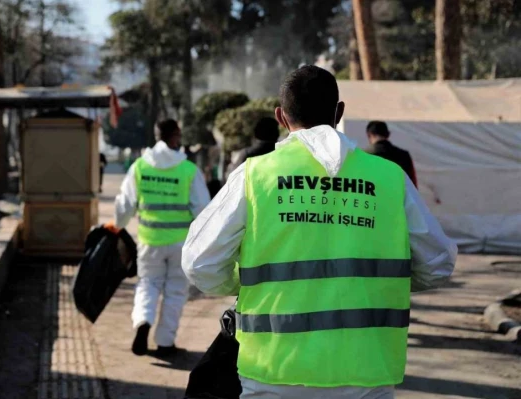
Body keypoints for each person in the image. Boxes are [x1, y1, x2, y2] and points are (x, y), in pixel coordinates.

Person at [182, 66, 457, 399]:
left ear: (281, 117)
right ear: (339, 111)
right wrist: (377, 287)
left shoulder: (255, 176)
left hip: (274, 373)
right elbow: (439, 262)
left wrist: (244, 283)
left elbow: (200, 263)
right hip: (367, 373)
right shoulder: (390, 178)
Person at [109, 119, 210, 357]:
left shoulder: (140, 167)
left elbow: (125, 205)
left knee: (148, 284)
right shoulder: (188, 170)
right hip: (180, 243)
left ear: (156, 135)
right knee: (175, 290)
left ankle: (143, 321)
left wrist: (117, 227)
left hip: (149, 241)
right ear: (175, 136)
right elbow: (203, 210)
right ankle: (165, 343)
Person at [224, 117, 280, 181]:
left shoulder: (247, 154)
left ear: (256, 134)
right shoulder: (281, 154)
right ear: (277, 134)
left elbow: (234, 180)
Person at [366, 121, 418, 187]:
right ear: (388, 134)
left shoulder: (361, 157)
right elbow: (413, 186)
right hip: (398, 196)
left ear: (369, 135)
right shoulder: (404, 155)